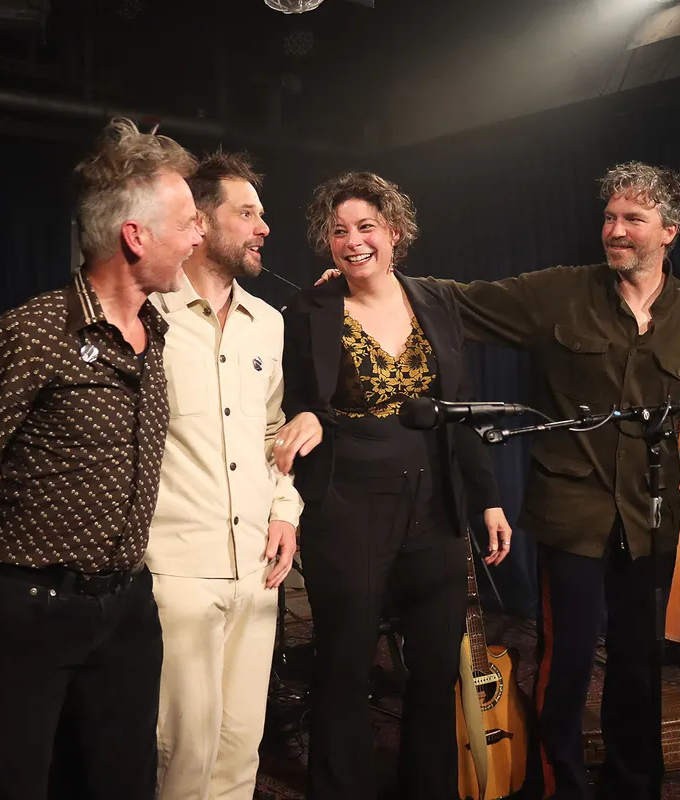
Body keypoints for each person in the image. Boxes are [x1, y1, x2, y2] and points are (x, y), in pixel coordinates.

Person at [318, 161, 680, 799]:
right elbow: (459, 299)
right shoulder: (561, 293)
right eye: (610, 217)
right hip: (570, 514)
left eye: (633, 219)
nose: (616, 230)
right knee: (566, 663)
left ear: (670, 231)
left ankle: (634, 787)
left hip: (651, 516)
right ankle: (558, 787)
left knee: (640, 662)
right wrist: (369, 276)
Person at [0, 117, 202, 800]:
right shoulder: (31, 334)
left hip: (127, 607)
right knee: (14, 783)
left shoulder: (156, 329)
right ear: (136, 236)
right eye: (187, 222)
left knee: (123, 782)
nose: (198, 236)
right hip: (29, 612)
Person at [274, 171, 511, 800]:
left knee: (434, 665)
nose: (353, 241)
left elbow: (460, 405)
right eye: (339, 231)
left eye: (366, 227)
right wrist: (304, 416)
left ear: (395, 232)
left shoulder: (435, 300)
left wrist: (486, 496)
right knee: (345, 662)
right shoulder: (308, 310)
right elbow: (293, 399)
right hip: (348, 499)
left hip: (435, 499)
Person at [145, 150, 302, 800]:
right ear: (201, 222)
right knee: (184, 755)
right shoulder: (148, 317)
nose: (264, 227)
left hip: (258, 569)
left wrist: (285, 510)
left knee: (241, 749)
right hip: (179, 569)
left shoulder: (269, 324)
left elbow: (273, 432)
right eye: (247, 213)